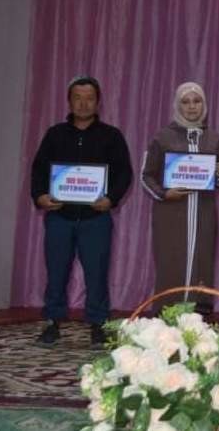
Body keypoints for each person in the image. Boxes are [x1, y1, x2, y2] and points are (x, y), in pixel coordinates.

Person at [30, 76, 132, 346]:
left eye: (89, 98)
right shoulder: (55, 134)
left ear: (98, 102)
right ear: (69, 101)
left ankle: (99, 325)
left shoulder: (111, 136)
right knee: (56, 272)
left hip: (96, 218)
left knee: (97, 274)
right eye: (77, 98)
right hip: (59, 216)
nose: (83, 103)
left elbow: (124, 173)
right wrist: (40, 196)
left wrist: (111, 199)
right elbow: (38, 169)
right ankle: (52, 323)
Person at [140, 82, 219, 312]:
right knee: (171, 261)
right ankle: (166, 316)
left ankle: (199, 316)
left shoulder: (213, 138)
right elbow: (146, 175)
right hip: (171, 214)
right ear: (177, 105)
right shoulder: (162, 137)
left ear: (204, 105)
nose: (191, 107)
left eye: (197, 101)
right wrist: (164, 193)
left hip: (204, 213)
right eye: (185, 102)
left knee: (203, 261)